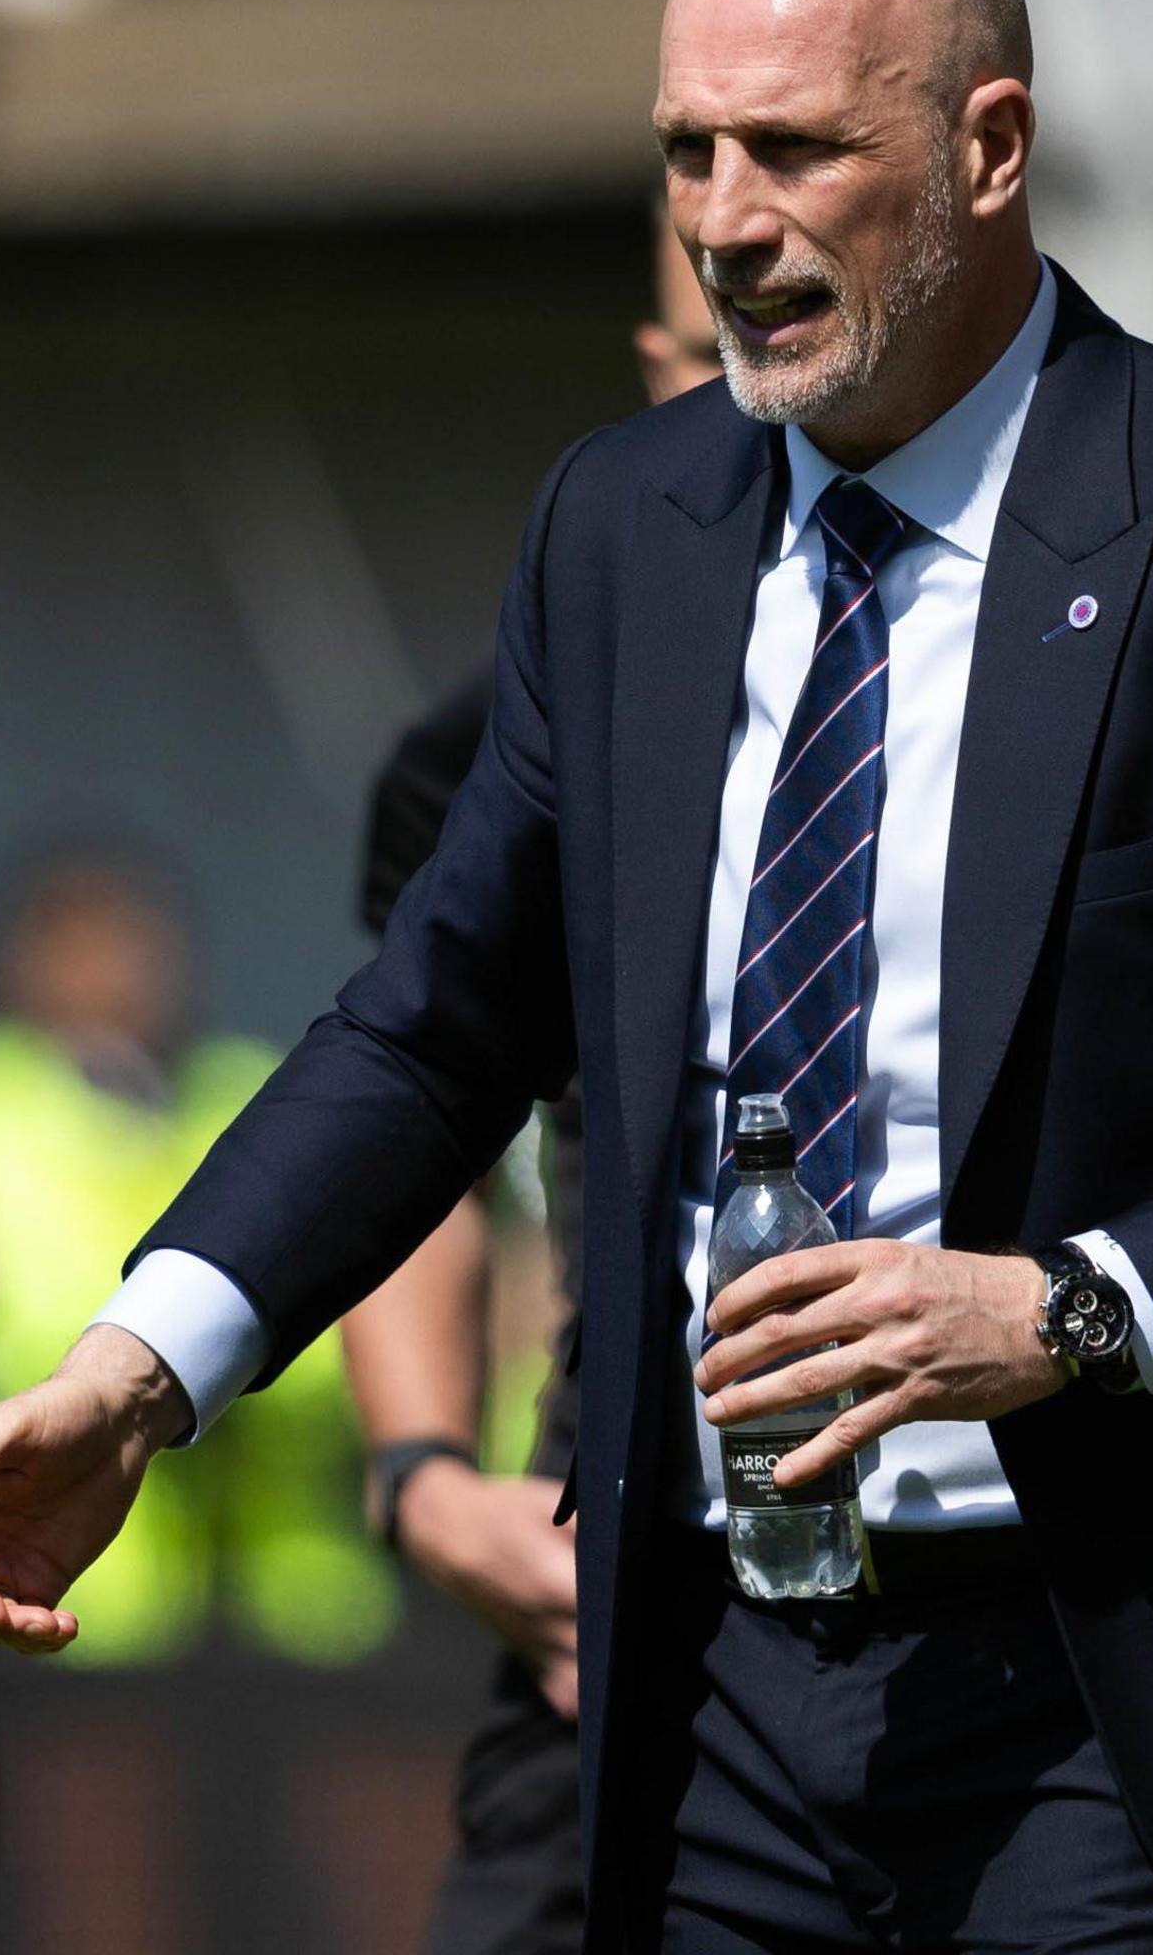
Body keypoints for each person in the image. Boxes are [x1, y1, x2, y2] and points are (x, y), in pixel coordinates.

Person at [0, 0, 1153, 1955]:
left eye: (796, 151)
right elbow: (435, 1022)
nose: (727, 221)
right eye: (687, 154)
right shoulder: (624, 531)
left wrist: (1065, 1308)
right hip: (723, 1699)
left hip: (1138, 1702)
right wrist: (139, 1367)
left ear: (990, 149)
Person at [338, 205, 734, 1955]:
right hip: (620, 1594)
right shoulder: (506, 740)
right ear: (659, 386)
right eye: (729, 362)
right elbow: (413, 1105)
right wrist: (424, 1478)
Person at [0, 847, 393, 1670]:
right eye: (82, 945)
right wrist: (218, 1335)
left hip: (301, 1615)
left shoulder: (248, 1083)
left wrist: (164, 1357)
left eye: (143, 943)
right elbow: (23, 1330)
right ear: (22, 964)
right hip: (85, 1607)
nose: (122, 973)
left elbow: (349, 1342)